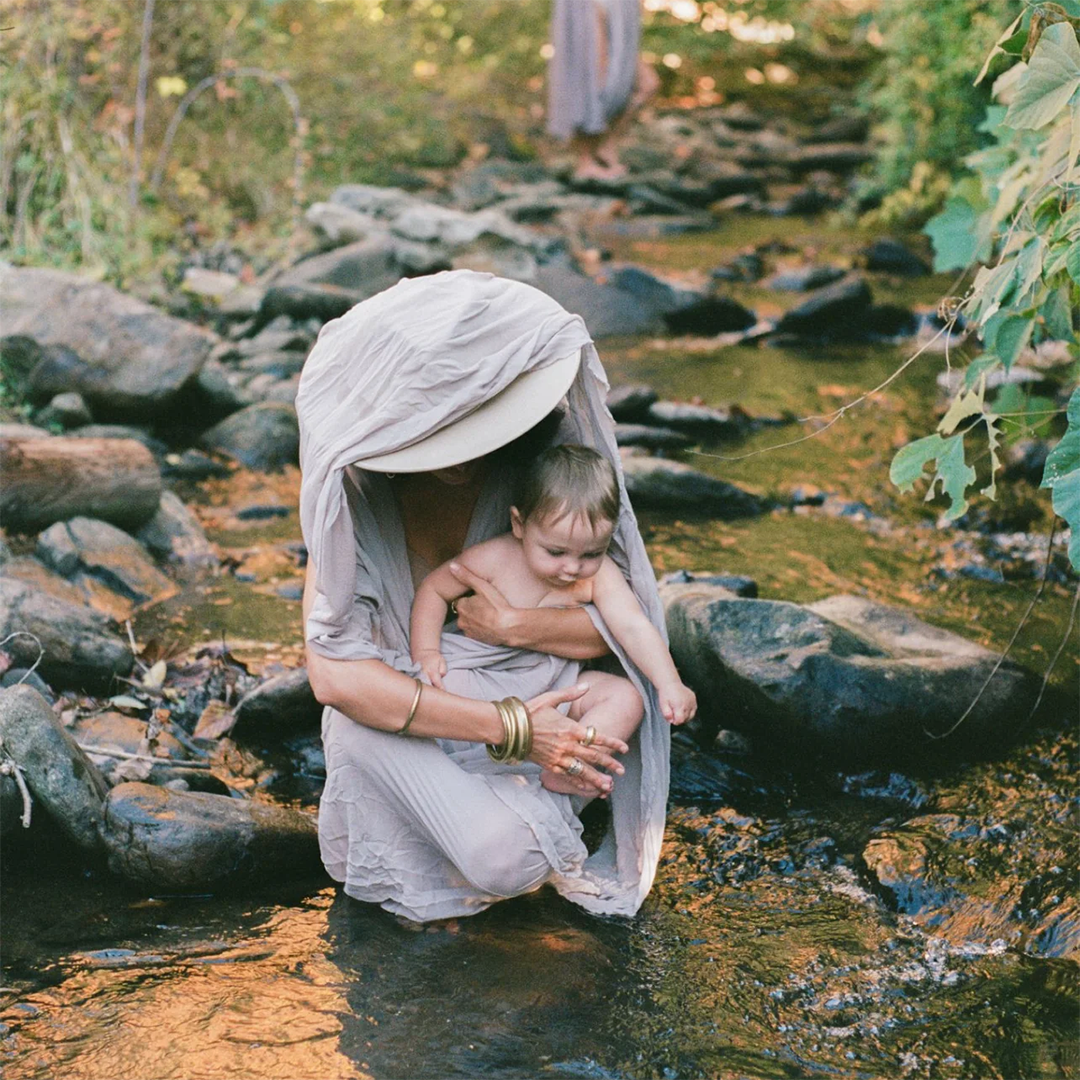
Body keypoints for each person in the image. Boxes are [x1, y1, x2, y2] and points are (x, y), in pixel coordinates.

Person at [296, 269, 671, 923]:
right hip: (409, 723)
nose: (463, 455)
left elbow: (618, 626)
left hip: (534, 690)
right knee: (505, 858)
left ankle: (536, 803)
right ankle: (505, 818)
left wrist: (516, 627)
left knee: (617, 699)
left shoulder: (545, 469)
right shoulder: (352, 498)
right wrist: (517, 730)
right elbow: (333, 676)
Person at [410, 443, 697, 797]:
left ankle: (573, 767)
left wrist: (669, 683)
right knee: (436, 686)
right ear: (519, 524)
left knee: (626, 696)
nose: (572, 568)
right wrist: (425, 651)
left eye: (591, 553)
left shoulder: (599, 575)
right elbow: (434, 589)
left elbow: (632, 625)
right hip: (484, 676)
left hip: (553, 681)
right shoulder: (495, 557)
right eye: (556, 552)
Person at [547, 0, 658, 180]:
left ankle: (606, 144)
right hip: (595, 18)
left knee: (649, 84)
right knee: (592, 84)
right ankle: (586, 161)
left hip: (618, 24)